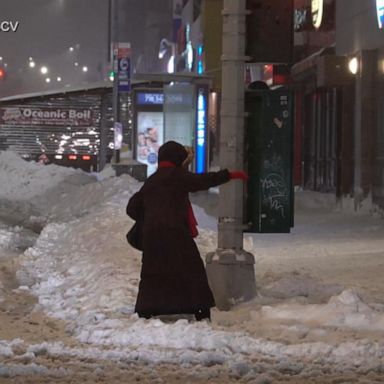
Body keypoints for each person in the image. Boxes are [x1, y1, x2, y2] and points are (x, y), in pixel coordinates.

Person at [126, 140, 248, 321]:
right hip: (175, 233)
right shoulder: (177, 176)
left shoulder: (152, 180)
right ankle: (199, 309)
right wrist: (228, 175)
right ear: (177, 158)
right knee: (191, 270)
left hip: (152, 236)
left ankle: (147, 309)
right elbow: (203, 180)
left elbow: (132, 207)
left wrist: (150, 217)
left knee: (154, 273)